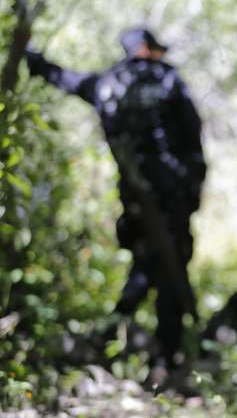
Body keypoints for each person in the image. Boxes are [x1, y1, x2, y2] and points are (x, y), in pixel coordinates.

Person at [25, 28, 206, 366]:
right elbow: (193, 137)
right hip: (173, 196)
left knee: (147, 264)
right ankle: (166, 356)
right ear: (146, 49)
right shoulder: (168, 81)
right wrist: (194, 191)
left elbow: (64, 79)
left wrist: (31, 57)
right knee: (168, 267)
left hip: (137, 198)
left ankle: (115, 338)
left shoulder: (108, 84)